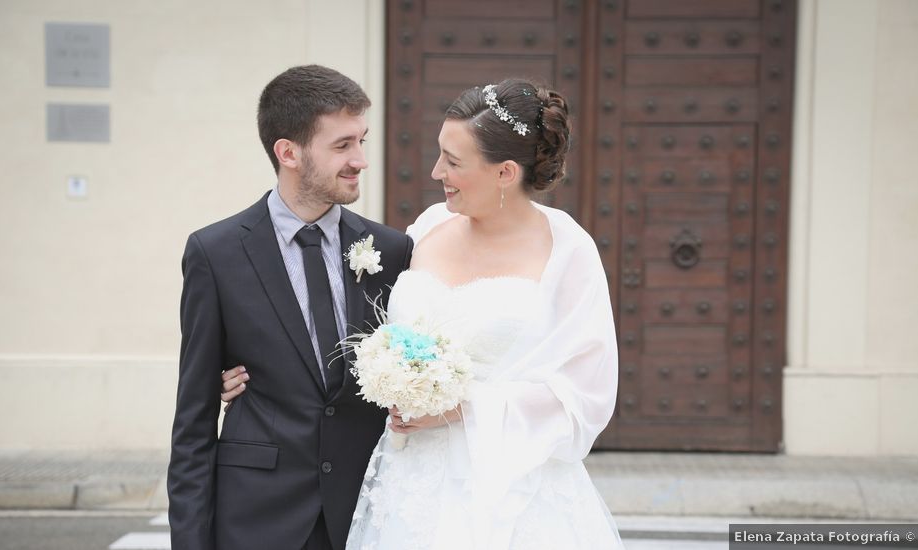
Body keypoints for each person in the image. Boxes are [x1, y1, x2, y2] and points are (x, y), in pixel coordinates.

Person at [223, 79, 623, 549]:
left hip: (507, 485)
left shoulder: (567, 249)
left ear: (505, 172)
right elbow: (355, 324)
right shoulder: (429, 227)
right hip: (405, 481)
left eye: (453, 162)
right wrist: (254, 372)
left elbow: (585, 396)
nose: (437, 172)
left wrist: (462, 410)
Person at [168, 64, 414, 550]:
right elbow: (192, 424)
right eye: (342, 145)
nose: (361, 160)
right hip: (257, 516)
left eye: (362, 141)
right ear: (289, 152)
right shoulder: (215, 253)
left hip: (364, 514)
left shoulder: (392, 251)